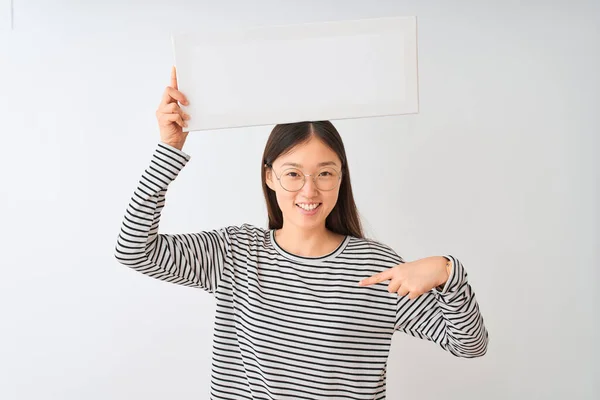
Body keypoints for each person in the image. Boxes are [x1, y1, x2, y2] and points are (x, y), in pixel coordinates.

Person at [114, 66, 489, 400]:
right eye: (293, 173)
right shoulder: (234, 253)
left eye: (325, 173)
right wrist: (170, 149)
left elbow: (470, 346)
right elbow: (133, 250)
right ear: (269, 176)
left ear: (341, 178)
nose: (309, 191)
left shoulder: (376, 267)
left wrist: (447, 272)